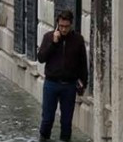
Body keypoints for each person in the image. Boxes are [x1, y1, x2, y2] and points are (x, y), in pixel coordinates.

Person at [36, 9, 88, 142]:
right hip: (51, 84)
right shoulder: (48, 37)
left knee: (66, 122)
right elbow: (41, 58)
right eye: (61, 26)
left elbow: (83, 64)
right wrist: (53, 43)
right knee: (47, 118)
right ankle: (43, 138)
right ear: (57, 24)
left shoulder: (78, 40)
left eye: (66, 26)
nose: (64, 29)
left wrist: (83, 83)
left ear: (71, 25)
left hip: (69, 85)